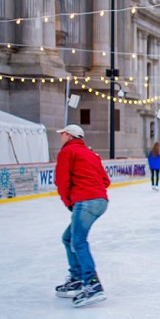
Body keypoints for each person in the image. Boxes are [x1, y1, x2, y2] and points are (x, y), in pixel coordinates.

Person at [53, 124, 111, 307]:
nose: (61, 137)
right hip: (100, 201)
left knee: (77, 241)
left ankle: (92, 283)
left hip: (85, 201)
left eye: (62, 134)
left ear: (69, 136)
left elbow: (61, 181)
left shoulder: (67, 152)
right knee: (68, 238)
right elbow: (106, 180)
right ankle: (77, 277)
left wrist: (70, 202)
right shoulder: (91, 154)